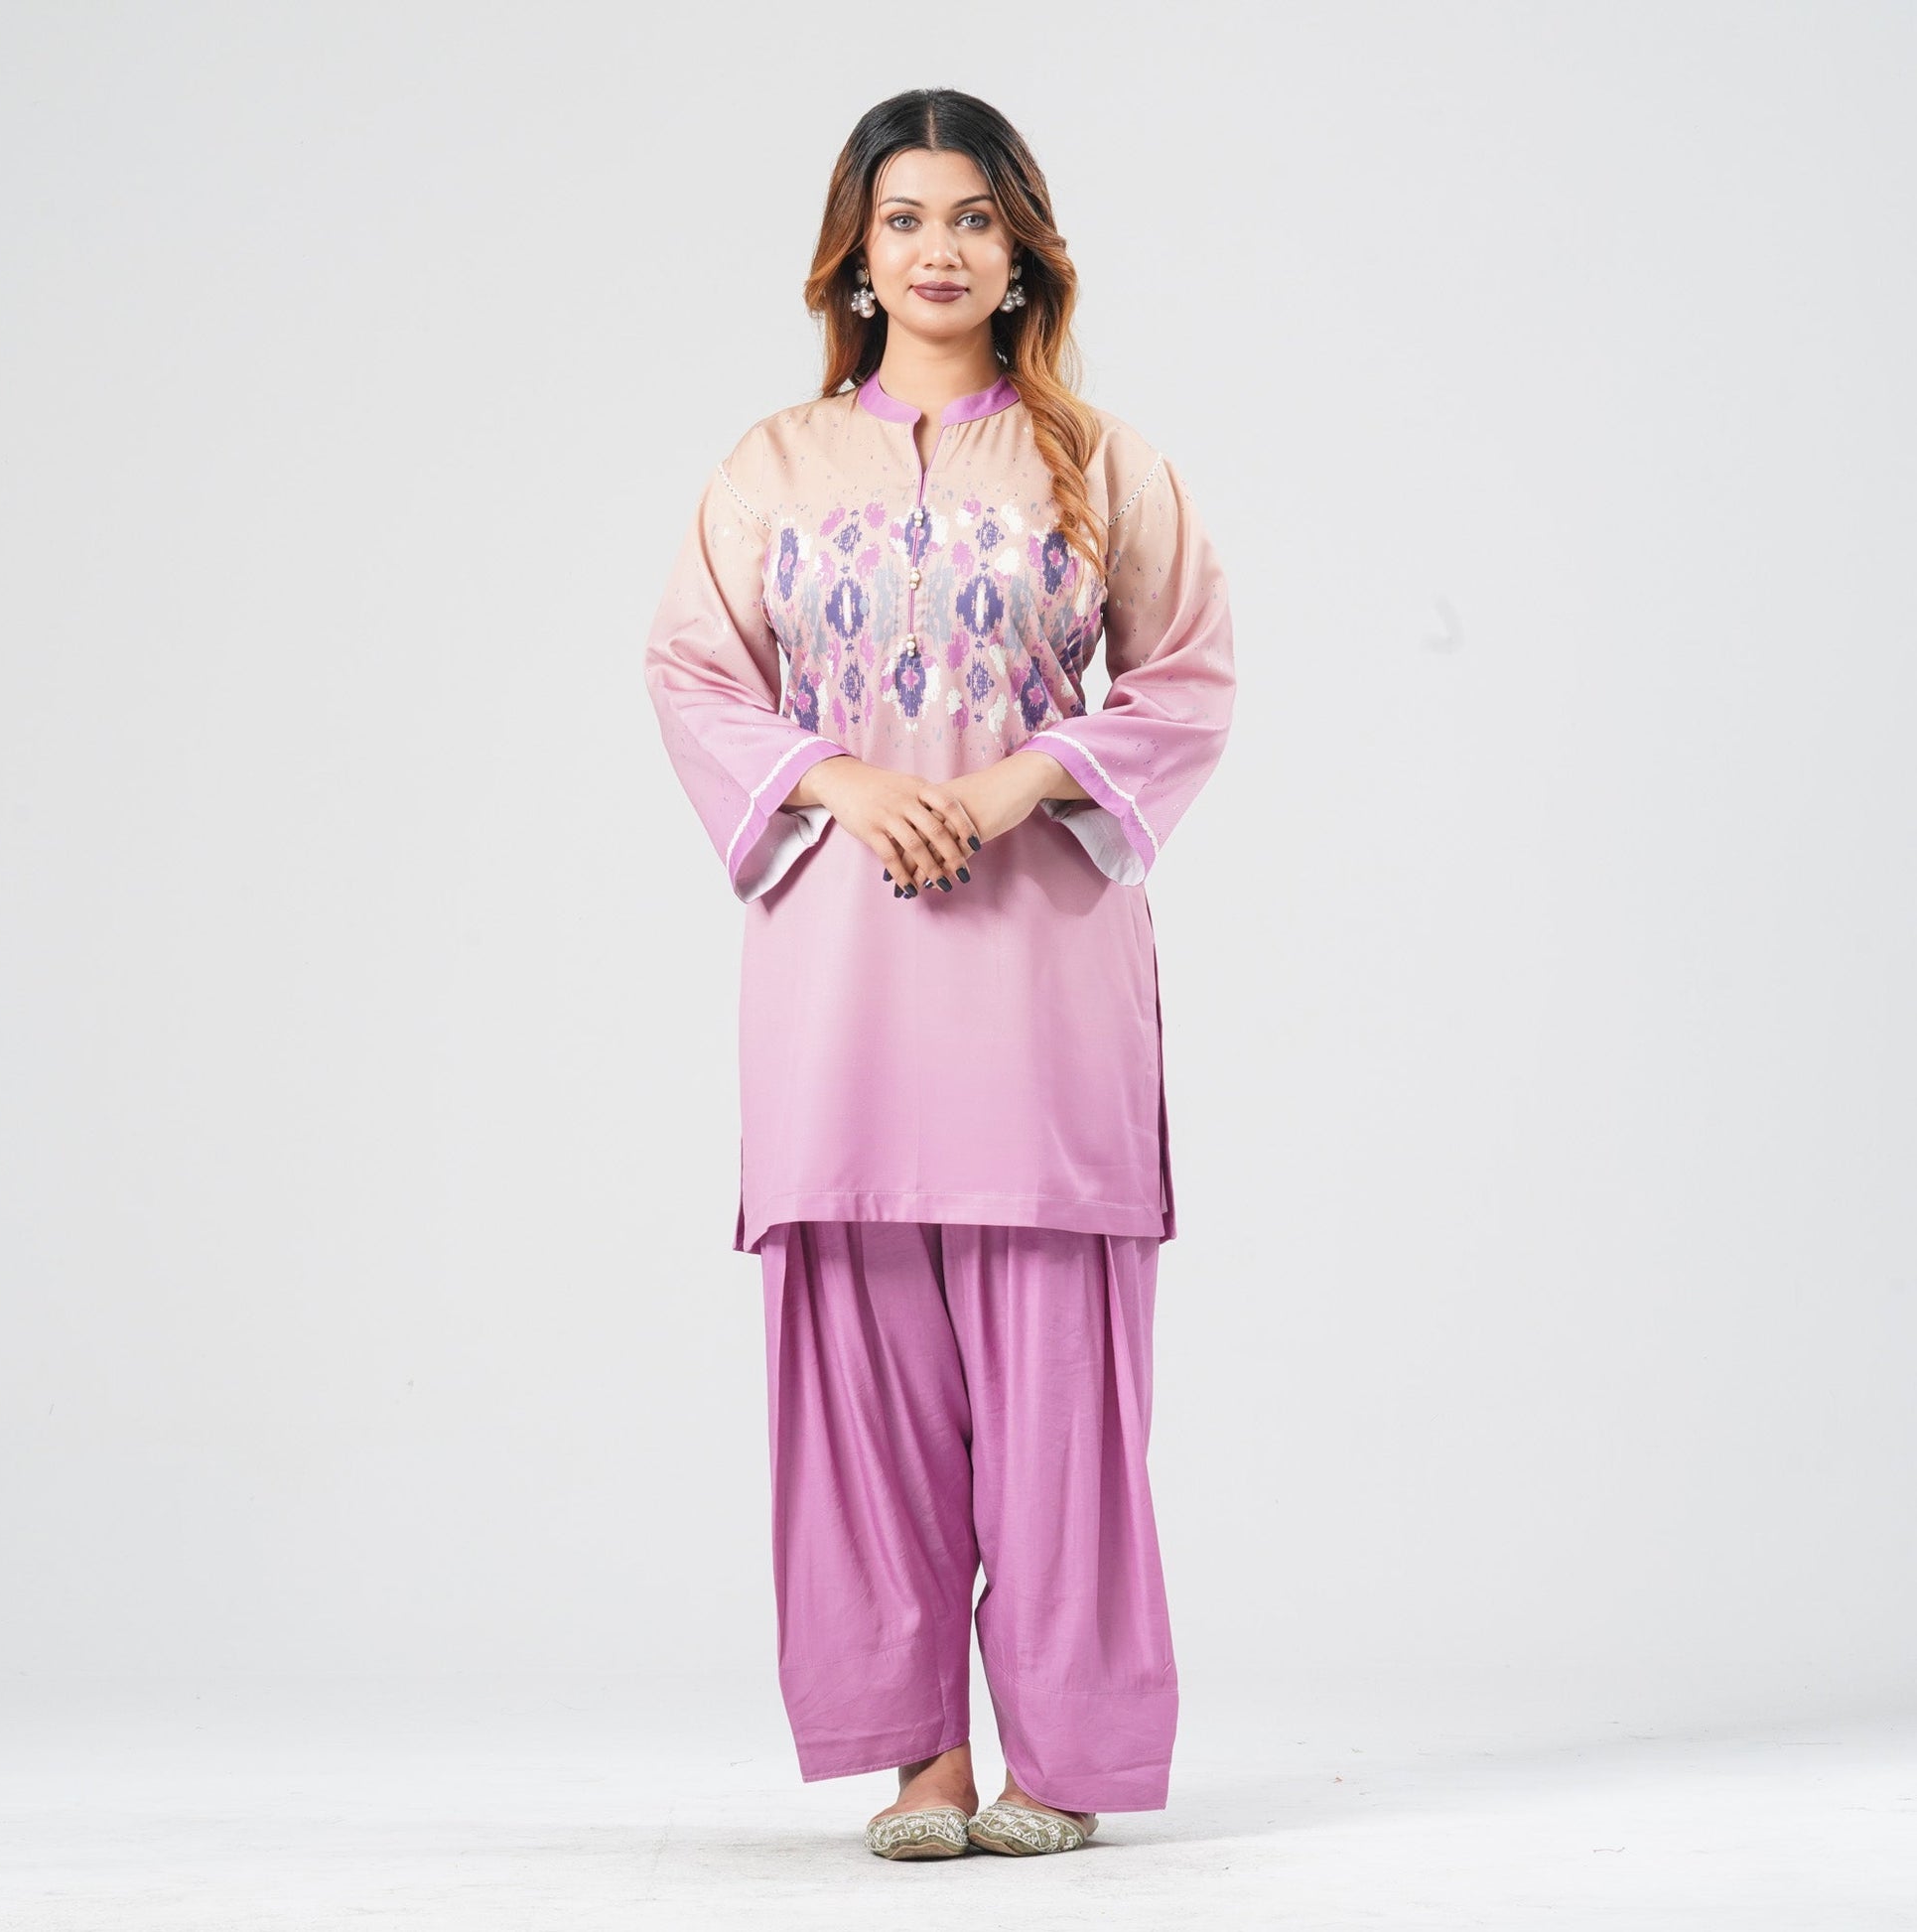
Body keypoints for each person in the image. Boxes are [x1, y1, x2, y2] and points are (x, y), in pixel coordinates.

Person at [642, 87, 1235, 1862]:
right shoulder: (769, 468)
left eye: (972, 217)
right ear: (854, 253)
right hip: (837, 980)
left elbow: (1187, 679)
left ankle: (1064, 1754)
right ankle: (918, 1760)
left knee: (1060, 1384)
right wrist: (835, 779)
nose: (938, 250)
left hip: (1042, 975)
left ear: (1021, 248)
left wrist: (1006, 785)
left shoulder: (1099, 462)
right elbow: (694, 678)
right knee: (860, 1368)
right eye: (903, 219)